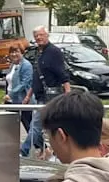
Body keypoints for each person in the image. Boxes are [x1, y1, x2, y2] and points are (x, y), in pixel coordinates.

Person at [22, 26, 71, 158]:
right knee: (45, 125)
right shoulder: (39, 52)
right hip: (40, 96)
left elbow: (62, 74)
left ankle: (23, 151)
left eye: (41, 35)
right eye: (36, 36)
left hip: (52, 96)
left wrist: (68, 94)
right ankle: (48, 150)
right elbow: (36, 76)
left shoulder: (54, 52)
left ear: (47, 36)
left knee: (36, 125)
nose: (39, 38)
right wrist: (28, 95)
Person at [3, 42, 35, 136]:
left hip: (23, 101)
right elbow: (9, 81)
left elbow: (23, 84)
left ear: (22, 52)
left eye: (16, 51)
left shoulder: (26, 65)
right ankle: (11, 148)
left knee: (29, 126)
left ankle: (42, 147)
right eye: (11, 52)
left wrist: (10, 94)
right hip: (10, 102)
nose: (13, 54)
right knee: (10, 127)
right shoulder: (12, 65)